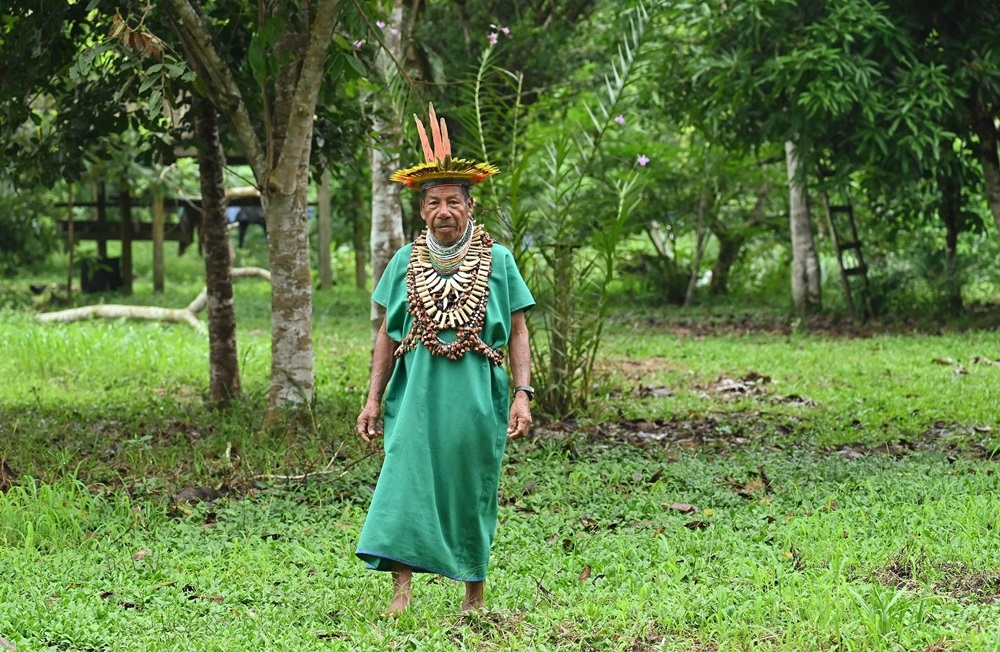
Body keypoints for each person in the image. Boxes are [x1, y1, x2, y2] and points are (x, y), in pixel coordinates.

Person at [355, 104, 535, 614]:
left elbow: (519, 331)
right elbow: (387, 337)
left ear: (469, 206)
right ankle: (402, 591)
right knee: (405, 478)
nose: (444, 212)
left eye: (453, 201)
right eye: (434, 203)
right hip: (414, 392)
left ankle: (473, 594)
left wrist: (522, 395)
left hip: (477, 392)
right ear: (422, 210)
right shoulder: (403, 260)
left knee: (470, 483)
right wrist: (372, 400)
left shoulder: (498, 260)